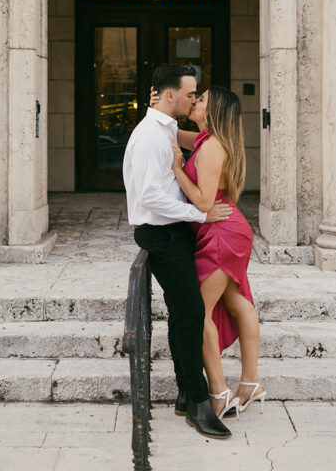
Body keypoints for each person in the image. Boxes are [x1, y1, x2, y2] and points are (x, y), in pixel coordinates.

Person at [122, 64, 234, 439]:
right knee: (190, 314)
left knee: (183, 315)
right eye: (190, 93)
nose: (194, 98)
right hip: (162, 235)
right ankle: (198, 403)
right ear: (170, 96)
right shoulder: (151, 136)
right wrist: (198, 213)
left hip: (176, 233)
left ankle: (188, 394)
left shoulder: (165, 127)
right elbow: (148, 195)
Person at [153, 83, 266, 419]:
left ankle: (219, 392)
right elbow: (172, 131)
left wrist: (176, 169)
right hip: (224, 231)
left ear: (212, 110)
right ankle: (250, 384)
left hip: (221, 233)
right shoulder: (202, 139)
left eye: (200, 99)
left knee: (196, 313)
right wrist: (160, 105)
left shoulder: (213, 147)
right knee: (237, 303)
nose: (194, 101)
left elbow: (202, 202)